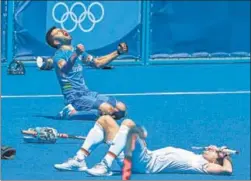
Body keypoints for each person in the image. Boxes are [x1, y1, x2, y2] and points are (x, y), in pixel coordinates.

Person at [54, 116, 233, 176]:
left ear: (215, 159)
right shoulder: (197, 158)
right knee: (105, 120)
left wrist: (225, 156)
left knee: (129, 124)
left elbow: (227, 172)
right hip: (142, 156)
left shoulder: (201, 165)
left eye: (214, 150)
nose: (210, 148)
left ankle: (105, 165)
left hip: (145, 163)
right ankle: (79, 160)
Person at [45, 26, 128, 120]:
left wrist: (118, 52)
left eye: (61, 29)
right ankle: (70, 113)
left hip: (86, 93)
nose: (63, 30)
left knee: (121, 109)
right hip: (74, 97)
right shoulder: (58, 56)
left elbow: (97, 63)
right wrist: (76, 54)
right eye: (58, 32)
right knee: (109, 110)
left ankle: (93, 112)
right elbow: (64, 70)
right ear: (56, 42)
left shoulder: (77, 51)